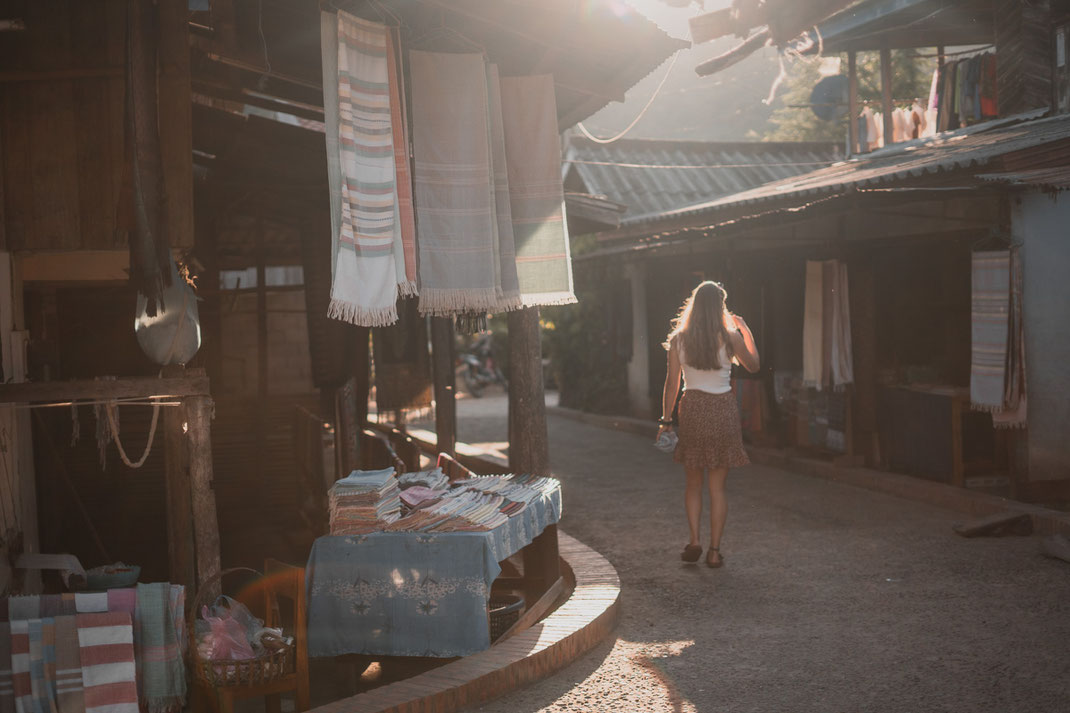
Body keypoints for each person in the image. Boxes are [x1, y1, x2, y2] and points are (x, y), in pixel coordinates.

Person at [657, 281, 760, 568]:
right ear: (720, 306)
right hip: (723, 410)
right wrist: (747, 333)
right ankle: (714, 552)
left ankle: (694, 540)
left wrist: (666, 421)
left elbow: (672, 385)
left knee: (693, 484)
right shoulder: (729, 338)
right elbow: (754, 365)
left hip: (692, 410)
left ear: (694, 305)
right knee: (718, 488)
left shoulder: (679, 339)